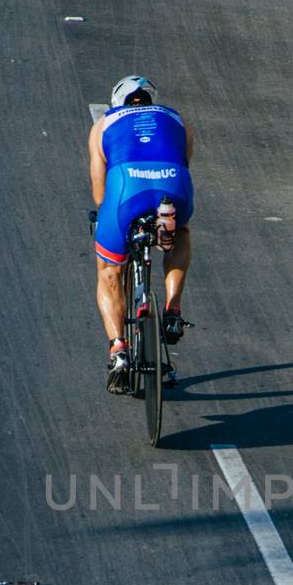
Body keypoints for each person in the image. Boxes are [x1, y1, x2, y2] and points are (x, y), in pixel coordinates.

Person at [88, 76, 194, 391]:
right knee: (180, 230)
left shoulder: (103, 124)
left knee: (109, 269)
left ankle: (119, 348)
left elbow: (99, 191)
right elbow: (183, 161)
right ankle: (173, 307)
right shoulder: (177, 118)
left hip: (126, 189)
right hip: (172, 186)